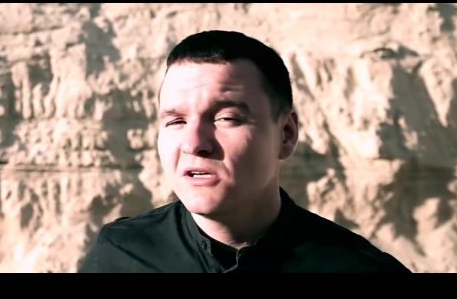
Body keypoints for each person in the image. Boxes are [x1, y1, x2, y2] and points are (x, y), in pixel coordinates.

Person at [78, 30, 411, 273]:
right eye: (176, 121)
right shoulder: (120, 254)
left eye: (227, 118)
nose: (194, 143)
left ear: (286, 134)